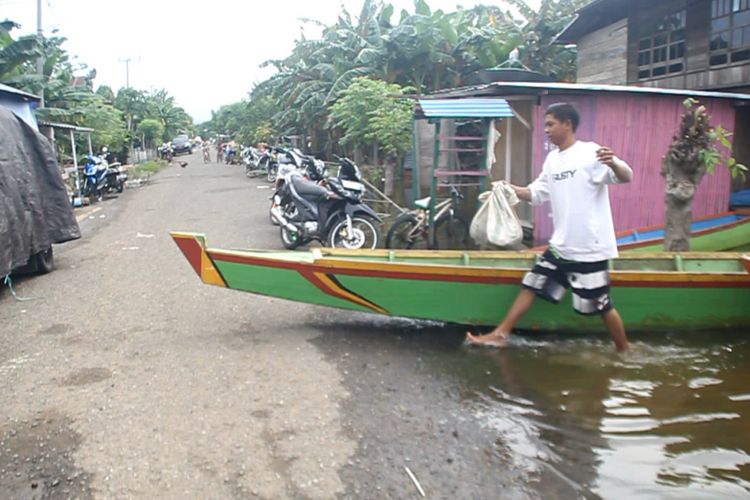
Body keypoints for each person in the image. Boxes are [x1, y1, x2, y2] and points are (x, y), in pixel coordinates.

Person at [466, 102, 633, 352]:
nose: (546, 129)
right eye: (545, 124)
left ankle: (624, 350)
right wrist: (507, 189)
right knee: (532, 283)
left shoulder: (590, 152)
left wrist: (614, 164)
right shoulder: (553, 159)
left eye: (550, 124)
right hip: (560, 246)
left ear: (568, 124)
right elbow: (536, 193)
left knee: (601, 304)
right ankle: (501, 333)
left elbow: (626, 176)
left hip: (589, 247)